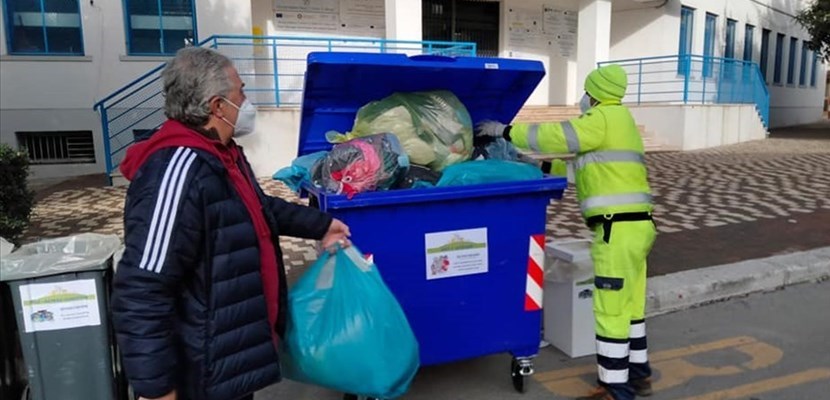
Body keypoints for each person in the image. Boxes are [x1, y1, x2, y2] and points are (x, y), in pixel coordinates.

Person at [111, 47, 351, 400]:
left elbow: (253, 207)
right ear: (217, 106)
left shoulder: (222, 154)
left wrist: (321, 224)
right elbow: (142, 288)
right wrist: (156, 388)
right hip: (200, 370)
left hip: (228, 357)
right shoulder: (176, 172)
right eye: (241, 91)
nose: (247, 100)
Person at [476, 64, 656, 400]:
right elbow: (577, 170)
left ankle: (616, 388)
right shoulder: (621, 124)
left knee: (610, 311)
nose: (583, 99)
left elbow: (555, 135)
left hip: (615, 230)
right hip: (638, 228)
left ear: (596, 93)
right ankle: (639, 375)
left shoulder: (601, 119)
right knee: (631, 307)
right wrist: (534, 165)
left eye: (587, 92)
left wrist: (505, 131)